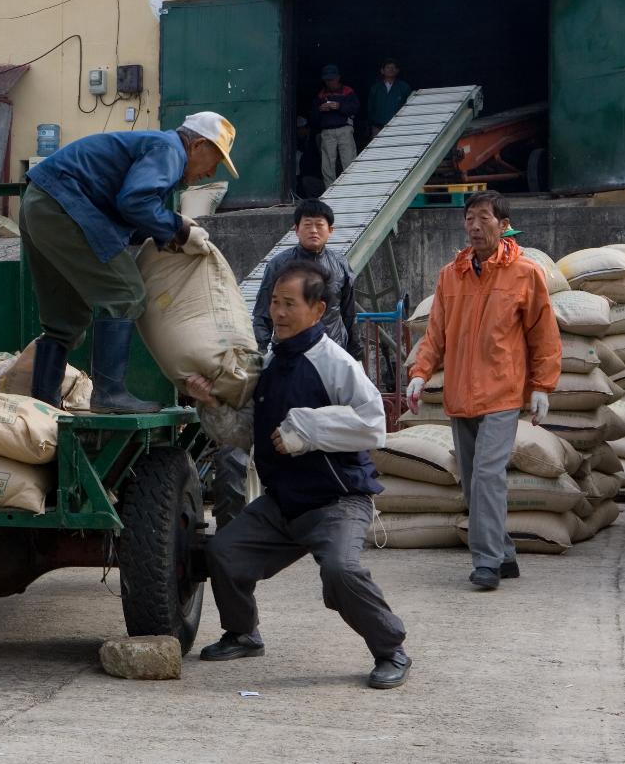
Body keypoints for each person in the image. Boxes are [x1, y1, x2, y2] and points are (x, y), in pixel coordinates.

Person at [188, 261, 410, 690]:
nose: (279, 313)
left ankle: (391, 650)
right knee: (224, 553)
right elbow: (244, 436)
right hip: (283, 505)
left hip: (337, 503)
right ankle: (243, 633)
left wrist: (307, 429)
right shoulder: (269, 364)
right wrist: (211, 403)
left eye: (290, 303)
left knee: (341, 573)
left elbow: (373, 425)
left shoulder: (335, 362)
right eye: (274, 302)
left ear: (318, 308)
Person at [21, 111, 238, 413]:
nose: (212, 172)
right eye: (215, 160)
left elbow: (126, 208)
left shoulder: (156, 147)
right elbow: (135, 201)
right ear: (197, 145)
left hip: (39, 204)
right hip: (63, 205)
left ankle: (41, 406)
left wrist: (168, 233)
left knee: (65, 320)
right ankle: (109, 394)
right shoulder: (170, 151)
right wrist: (179, 229)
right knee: (126, 294)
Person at [407, 192, 561, 590]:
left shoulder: (525, 274)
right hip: (461, 394)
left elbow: (544, 334)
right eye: (469, 219)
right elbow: (436, 333)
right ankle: (505, 552)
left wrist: (543, 386)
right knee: (472, 481)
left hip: (503, 393)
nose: (475, 226)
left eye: (484, 218)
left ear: (503, 224)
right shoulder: (450, 275)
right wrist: (420, 373)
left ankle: (487, 562)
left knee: (488, 476)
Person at [252, 198, 362, 359]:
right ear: (296, 229)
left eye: (319, 225)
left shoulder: (341, 264)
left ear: (330, 230)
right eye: (307, 224)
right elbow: (263, 313)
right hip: (290, 351)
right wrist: (259, 353)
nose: (314, 230)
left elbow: (349, 312)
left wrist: (356, 354)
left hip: (332, 350)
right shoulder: (278, 265)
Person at [314, 65, 359, 186]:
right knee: (327, 163)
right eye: (327, 80)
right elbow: (314, 115)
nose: (330, 82)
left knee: (349, 160)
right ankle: (329, 191)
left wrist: (339, 106)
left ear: (338, 78)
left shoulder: (348, 91)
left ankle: (351, 188)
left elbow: (355, 109)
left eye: (332, 79)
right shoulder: (321, 94)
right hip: (327, 131)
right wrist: (320, 109)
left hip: (344, 129)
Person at [367, 58, 413, 137]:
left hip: (398, 126)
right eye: (388, 67)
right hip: (378, 126)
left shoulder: (404, 87)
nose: (391, 69)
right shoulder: (376, 88)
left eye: (393, 67)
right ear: (382, 70)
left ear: (397, 70)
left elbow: (410, 107)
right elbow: (370, 107)